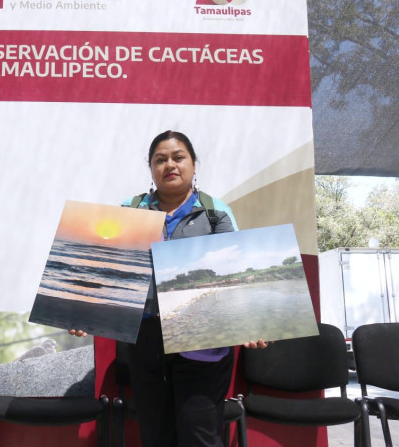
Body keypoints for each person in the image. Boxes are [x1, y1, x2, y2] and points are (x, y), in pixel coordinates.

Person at [70, 130, 266, 447]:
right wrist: (84, 309)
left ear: (193, 164)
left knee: (199, 434)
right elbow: (107, 269)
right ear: (151, 168)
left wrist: (251, 322)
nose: (169, 165)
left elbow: (237, 276)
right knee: (155, 433)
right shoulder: (129, 210)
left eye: (178, 157)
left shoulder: (216, 213)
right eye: (160, 159)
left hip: (204, 340)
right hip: (146, 339)